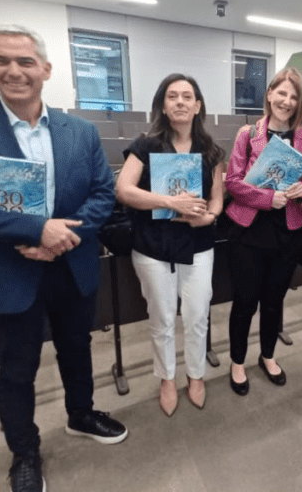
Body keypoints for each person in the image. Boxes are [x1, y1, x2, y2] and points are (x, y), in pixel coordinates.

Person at [0, 24, 127, 492]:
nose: (14, 71)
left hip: (72, 263)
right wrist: (36, 230)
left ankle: (80, 414)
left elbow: (102, 194)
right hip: (9, 271)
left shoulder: (80, 131)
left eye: (25, 61)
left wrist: (63, 237)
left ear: (46, 69)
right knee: (17, 368)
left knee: (77, 348)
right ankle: (24, 451)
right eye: (1, 60)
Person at [115, 74, 224, 417]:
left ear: (198, 106)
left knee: (197, 315)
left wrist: (208, 217)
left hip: (198, 244)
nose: (180, 102)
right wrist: (170, 202)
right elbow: (124, 190)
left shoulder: (211, 151)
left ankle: (196, 374)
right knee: (161, 317)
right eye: (172, 96)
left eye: (187, 96)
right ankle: (166, 378)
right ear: (163, 105)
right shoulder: (145, 145)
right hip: (152, 245)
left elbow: (217, 199)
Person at [224, 67, 302, 395]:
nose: (287, 101)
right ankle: (237, 361)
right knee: (245, 301)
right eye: (282, 93)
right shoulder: (247, 134)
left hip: (287, 232)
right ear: (269, 94)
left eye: (294, 96)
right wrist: (267, 198)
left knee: (274, 301)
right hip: (249, 231)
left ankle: (267, 355)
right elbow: (233, 182)